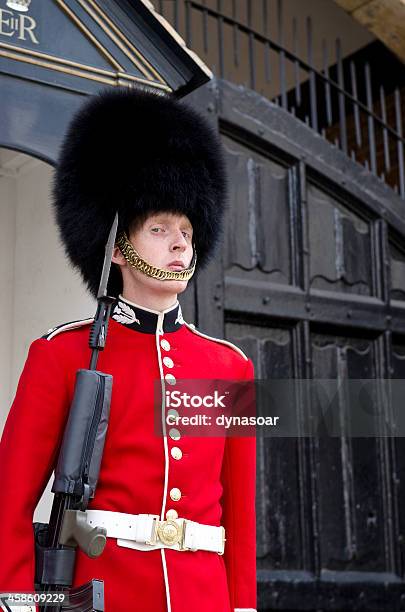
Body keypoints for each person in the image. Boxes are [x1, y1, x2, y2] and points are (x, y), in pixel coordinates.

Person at [0, 87, 257, 612]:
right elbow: (11, 501)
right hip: (106, 593)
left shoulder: (231, 366)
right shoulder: (62, 355)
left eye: (187, 230)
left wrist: (242, 604)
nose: (180, 243)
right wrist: (16, 600)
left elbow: (241, 516)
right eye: (160, 228)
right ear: (117, 247)